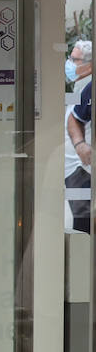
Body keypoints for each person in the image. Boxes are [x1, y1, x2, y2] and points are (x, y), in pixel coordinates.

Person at [66, 52, 94, 233]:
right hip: (84, 172)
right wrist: (80, 144)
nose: (70, 64)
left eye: (75, 59)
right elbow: (75, 118)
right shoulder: (91, 87)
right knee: (85, 229)